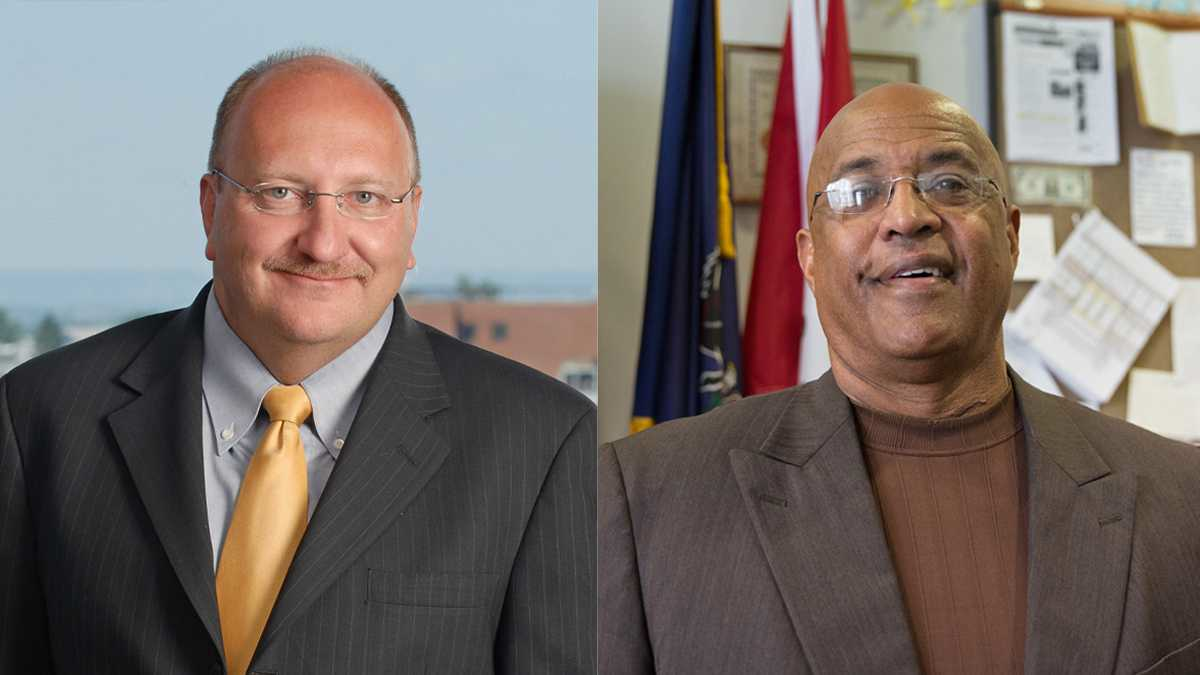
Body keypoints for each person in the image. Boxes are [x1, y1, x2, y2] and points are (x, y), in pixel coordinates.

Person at [0, 49, 595, 675]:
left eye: (364, 196)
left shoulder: (543, 443)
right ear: (210, 208)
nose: (323, 242)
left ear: (412, 219)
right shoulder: (39, 417)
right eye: (280, 193)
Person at [599, 83, 1200, 674]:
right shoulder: (640, 497)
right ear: (809, 256)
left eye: (949, 184)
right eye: (858, 193)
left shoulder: (1184, 499)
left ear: (1011, 236)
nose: (908, 217)